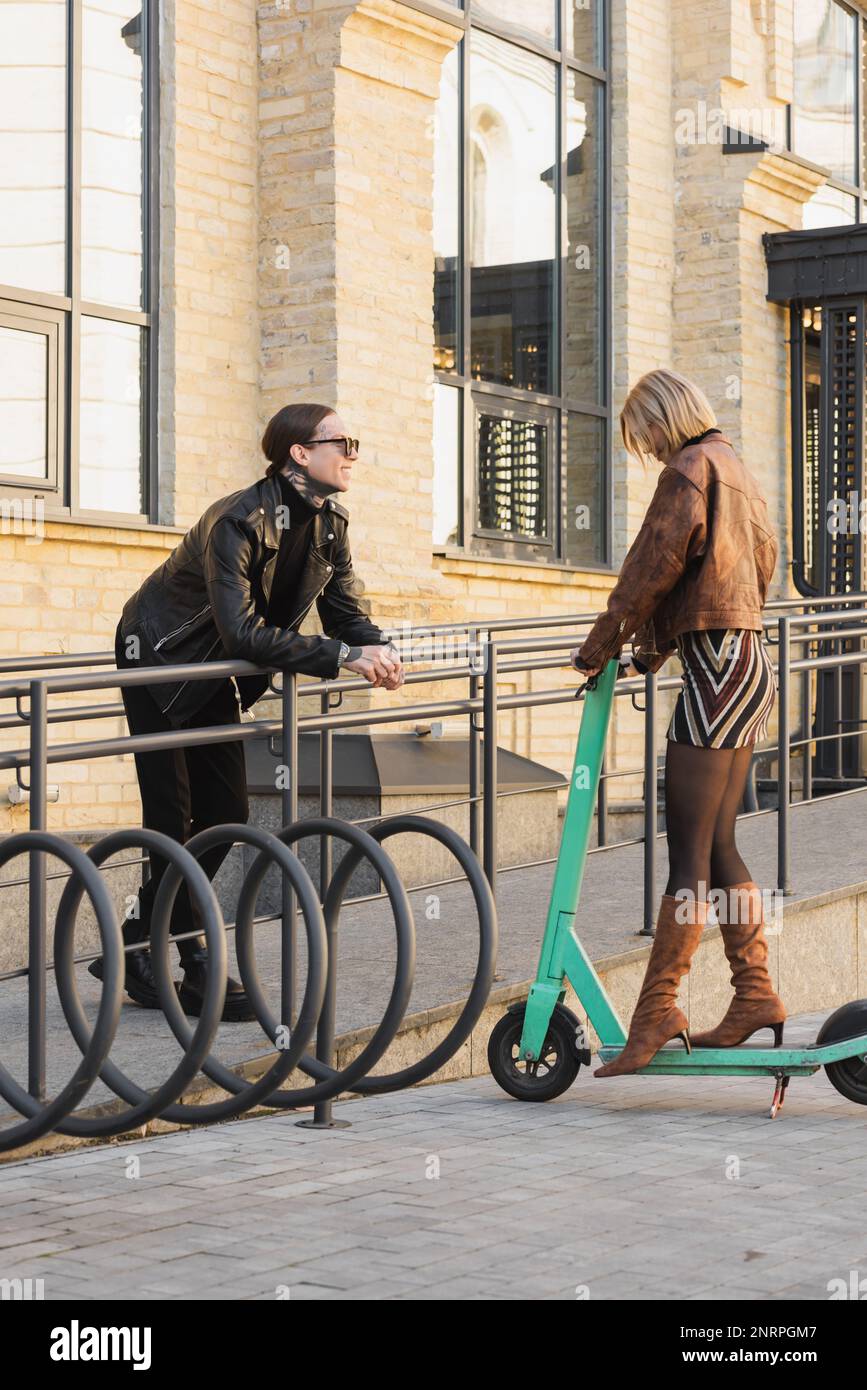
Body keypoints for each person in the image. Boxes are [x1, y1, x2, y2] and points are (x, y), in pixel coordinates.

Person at [92, 403, 403, 1022]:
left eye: (354, 443)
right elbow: (241, 634)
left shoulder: (329, 525)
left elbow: (344, 610)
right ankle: (193, 954)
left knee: (227, 811)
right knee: (171, 812)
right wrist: (341, 655)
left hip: (211, 674)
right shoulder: (237, 520)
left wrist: (377, 646)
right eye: (342, 442)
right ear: (298, 453)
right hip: (160, 656)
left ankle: (140, 941)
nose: (353, 454)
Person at [570, 368, 785, 1077]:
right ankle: (753, 995)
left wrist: (598, 648)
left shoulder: (689, 468)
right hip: (746, 664)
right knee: (718, 841)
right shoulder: (739, 471)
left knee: (688, 849)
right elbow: (734, 576)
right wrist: (650, 654)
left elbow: (651, 566)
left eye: (646, 435)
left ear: (664, 419)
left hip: (717, 672)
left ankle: (657, 1009)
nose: (650, 450)